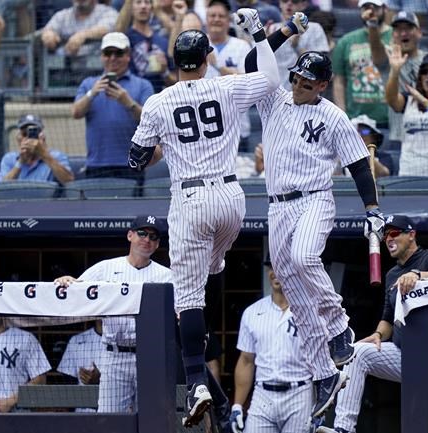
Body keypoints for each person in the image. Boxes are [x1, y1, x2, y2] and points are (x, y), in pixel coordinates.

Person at [128, 9, 281, 427]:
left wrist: (161, 142)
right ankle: (204, 335)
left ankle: (196, 376)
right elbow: (271, 78)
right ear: (208, 56)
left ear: (177, 62)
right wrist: (258, 36)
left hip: (191, 198)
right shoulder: (226, 87)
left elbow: (136, 159)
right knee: (211, 270)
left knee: (187, 297)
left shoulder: (158, 102)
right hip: (232, 197)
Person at [244, 22, 386, 420]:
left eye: (307, 82)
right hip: (277, 206)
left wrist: (372, 209)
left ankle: (340, 326)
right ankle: (324, 374)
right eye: (295, 78)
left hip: (314, 200)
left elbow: (359, 165)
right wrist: (283, 31)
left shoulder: (334, 116)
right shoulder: (274, 99)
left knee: (306, 259)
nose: (297, 85)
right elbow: (254, 60)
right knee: (296, 294)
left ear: (322, 85)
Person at [316, 215, 428, 433]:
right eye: (385, 235)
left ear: (412, 235)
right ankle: (343, 429)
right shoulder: (392, 274)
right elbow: (388, 317)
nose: (388, 238)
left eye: (395, 233)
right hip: (402, 354)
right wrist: (379, 334)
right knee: (357, 352)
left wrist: (417, 275)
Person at [54, 215, 172, 413]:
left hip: (150, 355)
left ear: (158, 243)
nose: (147, 240)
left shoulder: (167, 275)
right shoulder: (106, 268)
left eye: (153, 237)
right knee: (109, 420)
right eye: (142, 233)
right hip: (114, 355)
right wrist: (68, 281)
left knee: (153, 419)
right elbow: (78, 290)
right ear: (130, 235)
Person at [229, 256, 314, 433]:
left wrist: (321, 404)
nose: (275, 273)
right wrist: (237, 405)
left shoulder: (311, 310)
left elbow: (322, 359)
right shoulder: (252, 312)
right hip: (263, 394)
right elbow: (246, 361)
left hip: (299, 392)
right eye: (272, 267)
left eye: (282, 267)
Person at [72, 32, 154, 180]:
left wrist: (127, 102)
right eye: (108, 53)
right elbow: (76, 113)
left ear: (128, 55)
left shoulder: (143, 85)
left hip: (132, 164)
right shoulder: (89, 84)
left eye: (118, 53)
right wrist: (92, 93)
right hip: (97, 164)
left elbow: (151, 120)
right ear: (102, 56)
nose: (112, 58)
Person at [332, 0, 392, 126]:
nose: (370, 11)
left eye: (374, 7)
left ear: (385, 9)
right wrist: (342, 117)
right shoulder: (345, 41)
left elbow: (380, 60)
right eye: (366, 7)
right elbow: (339, 81)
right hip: (355, 120)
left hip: (390, 119)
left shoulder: (396, 36)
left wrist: (372, 25)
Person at [204, 0, 253, 151]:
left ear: (228, 21)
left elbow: (247, 82)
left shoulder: (241, 46)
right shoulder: (198, 43)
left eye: (221, 16)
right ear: (206, 19)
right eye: (212, 15)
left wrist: (218, 66)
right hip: (205, 131)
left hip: (237, 129)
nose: (217, 19)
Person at [378, 10, 425, 142]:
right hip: (400, 137)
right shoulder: (386, 59)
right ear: (393, 35)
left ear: (419, 32)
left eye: (409, 28)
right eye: (398, 30)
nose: (403, 33)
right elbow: (376, 48)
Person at [266, 0, 329, 89]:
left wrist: (297, 46)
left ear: (304, 4)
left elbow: (318, 68)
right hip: (275, 91)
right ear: (280, 3)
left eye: (295, 1)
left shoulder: (315, 28)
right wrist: (265, 45)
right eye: (284, 0)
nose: (289, 4)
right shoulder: (271, 29)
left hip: (304, 91)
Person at [0, 114, 75, 185]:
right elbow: (0, 190)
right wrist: (20, 162)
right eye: (24, 134)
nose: (28, 139)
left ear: (42, 137)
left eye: (34, 134)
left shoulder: (57, 156)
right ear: (18, 138)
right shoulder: (9, 158)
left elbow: (69, 182)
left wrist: (44, 154)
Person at [115, 0, 171, 93]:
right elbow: (118, 30)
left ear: (152, 8)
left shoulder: (162, 40)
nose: (143, 6)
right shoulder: (126, 37)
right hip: (131, 93)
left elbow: (174, 81)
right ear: (131, 8)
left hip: (158, 95)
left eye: (147, 2)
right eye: (138, 2)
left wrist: (165, 72)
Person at [41, 0, 118, 57]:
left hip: (96, 73)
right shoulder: (63, 15)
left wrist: (83, 35)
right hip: (65, 72)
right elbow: (48, 30)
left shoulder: (107, 12)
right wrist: (48, 35)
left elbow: (106, 29)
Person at [56, 320, 103, 413]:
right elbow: (68, 383)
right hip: (84, 412)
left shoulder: (124, 344)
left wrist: (100, 380)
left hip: (115, 409)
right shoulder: (77, 340)